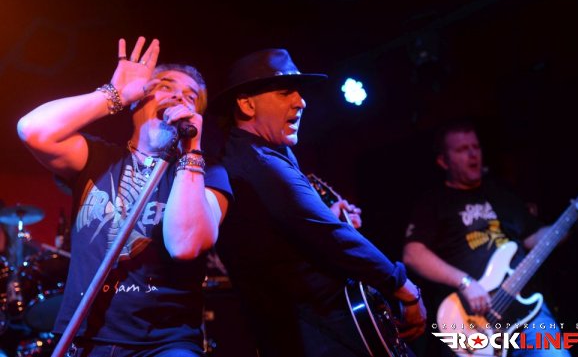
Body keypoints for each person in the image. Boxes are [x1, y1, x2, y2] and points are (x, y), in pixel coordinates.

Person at [17, 36, 231, 357]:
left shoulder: (206, 174)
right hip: (86, 337)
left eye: (191, 97)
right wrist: (113, 94)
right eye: (166, 86)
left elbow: (185, 245)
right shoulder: (97, 158)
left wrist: (191, 151)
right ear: (137, 100)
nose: (179, 97)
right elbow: (33, 128)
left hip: (165, 344)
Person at [211, 48, 426, 357]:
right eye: (285, 92)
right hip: (318, 337)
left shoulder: (268, 153)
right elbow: (331, 236)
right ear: (246, 104)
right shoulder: (260, 163)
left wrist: (327, 215)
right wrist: (402, 286)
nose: (301, 101)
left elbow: (299, 234)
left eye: (299, 92)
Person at [402, 120, 578, 357]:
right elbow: (413, 254)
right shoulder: (434, 202)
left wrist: (571, 219)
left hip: (527, 309)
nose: (473, 154)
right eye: (462, 149)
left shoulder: (503, 196)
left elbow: (534, 239)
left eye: (476, 147)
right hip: (473, 319)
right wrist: (466, 283)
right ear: (443, 161)